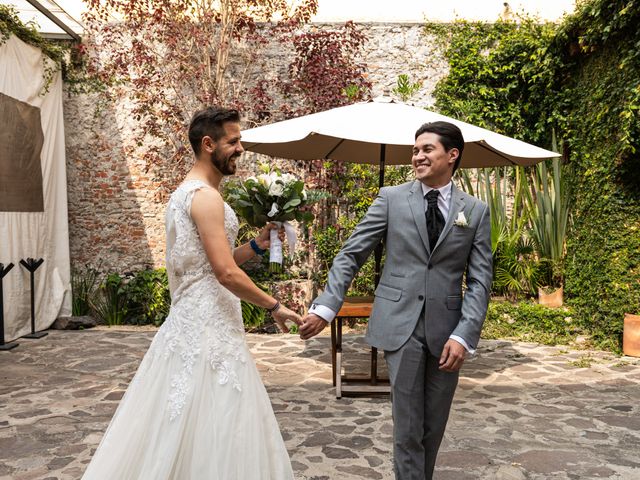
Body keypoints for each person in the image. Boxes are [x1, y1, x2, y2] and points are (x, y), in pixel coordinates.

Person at [82, 107, 301, 480]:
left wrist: (257, 247)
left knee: (179, 419)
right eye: (233, 141)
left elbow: (210, 263)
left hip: (195, 320)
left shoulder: (187, 194)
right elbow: (224, 272)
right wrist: (275, 306)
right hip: (206, 327)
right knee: (216, 418)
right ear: (207, 143)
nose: (240, 149)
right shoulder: (206, 198)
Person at [299, 121, 493, 479]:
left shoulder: (476, 211)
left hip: (448, 333)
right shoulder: (390, 199)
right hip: (400, 327)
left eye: (427, 149)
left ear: (452, 155)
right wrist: (327, 305)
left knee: (433, 428)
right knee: (407, 429)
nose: (417, 156)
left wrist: (464, 334)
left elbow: (480, 280)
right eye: (415, 150)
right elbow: (350, 254)